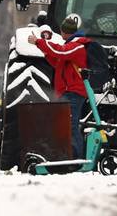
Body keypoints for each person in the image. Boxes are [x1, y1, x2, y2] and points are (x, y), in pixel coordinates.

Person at [28, 15, 91, 159]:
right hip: (67, 93)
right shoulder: (72, 45)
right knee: (65, 125)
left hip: (74, 93)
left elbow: (60, 52)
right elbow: (58, 62)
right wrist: (45, 50)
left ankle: (77, 157)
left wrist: (39, 41)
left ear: (64, 31)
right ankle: (67, 155)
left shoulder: (77, 46)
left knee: (71, 126)